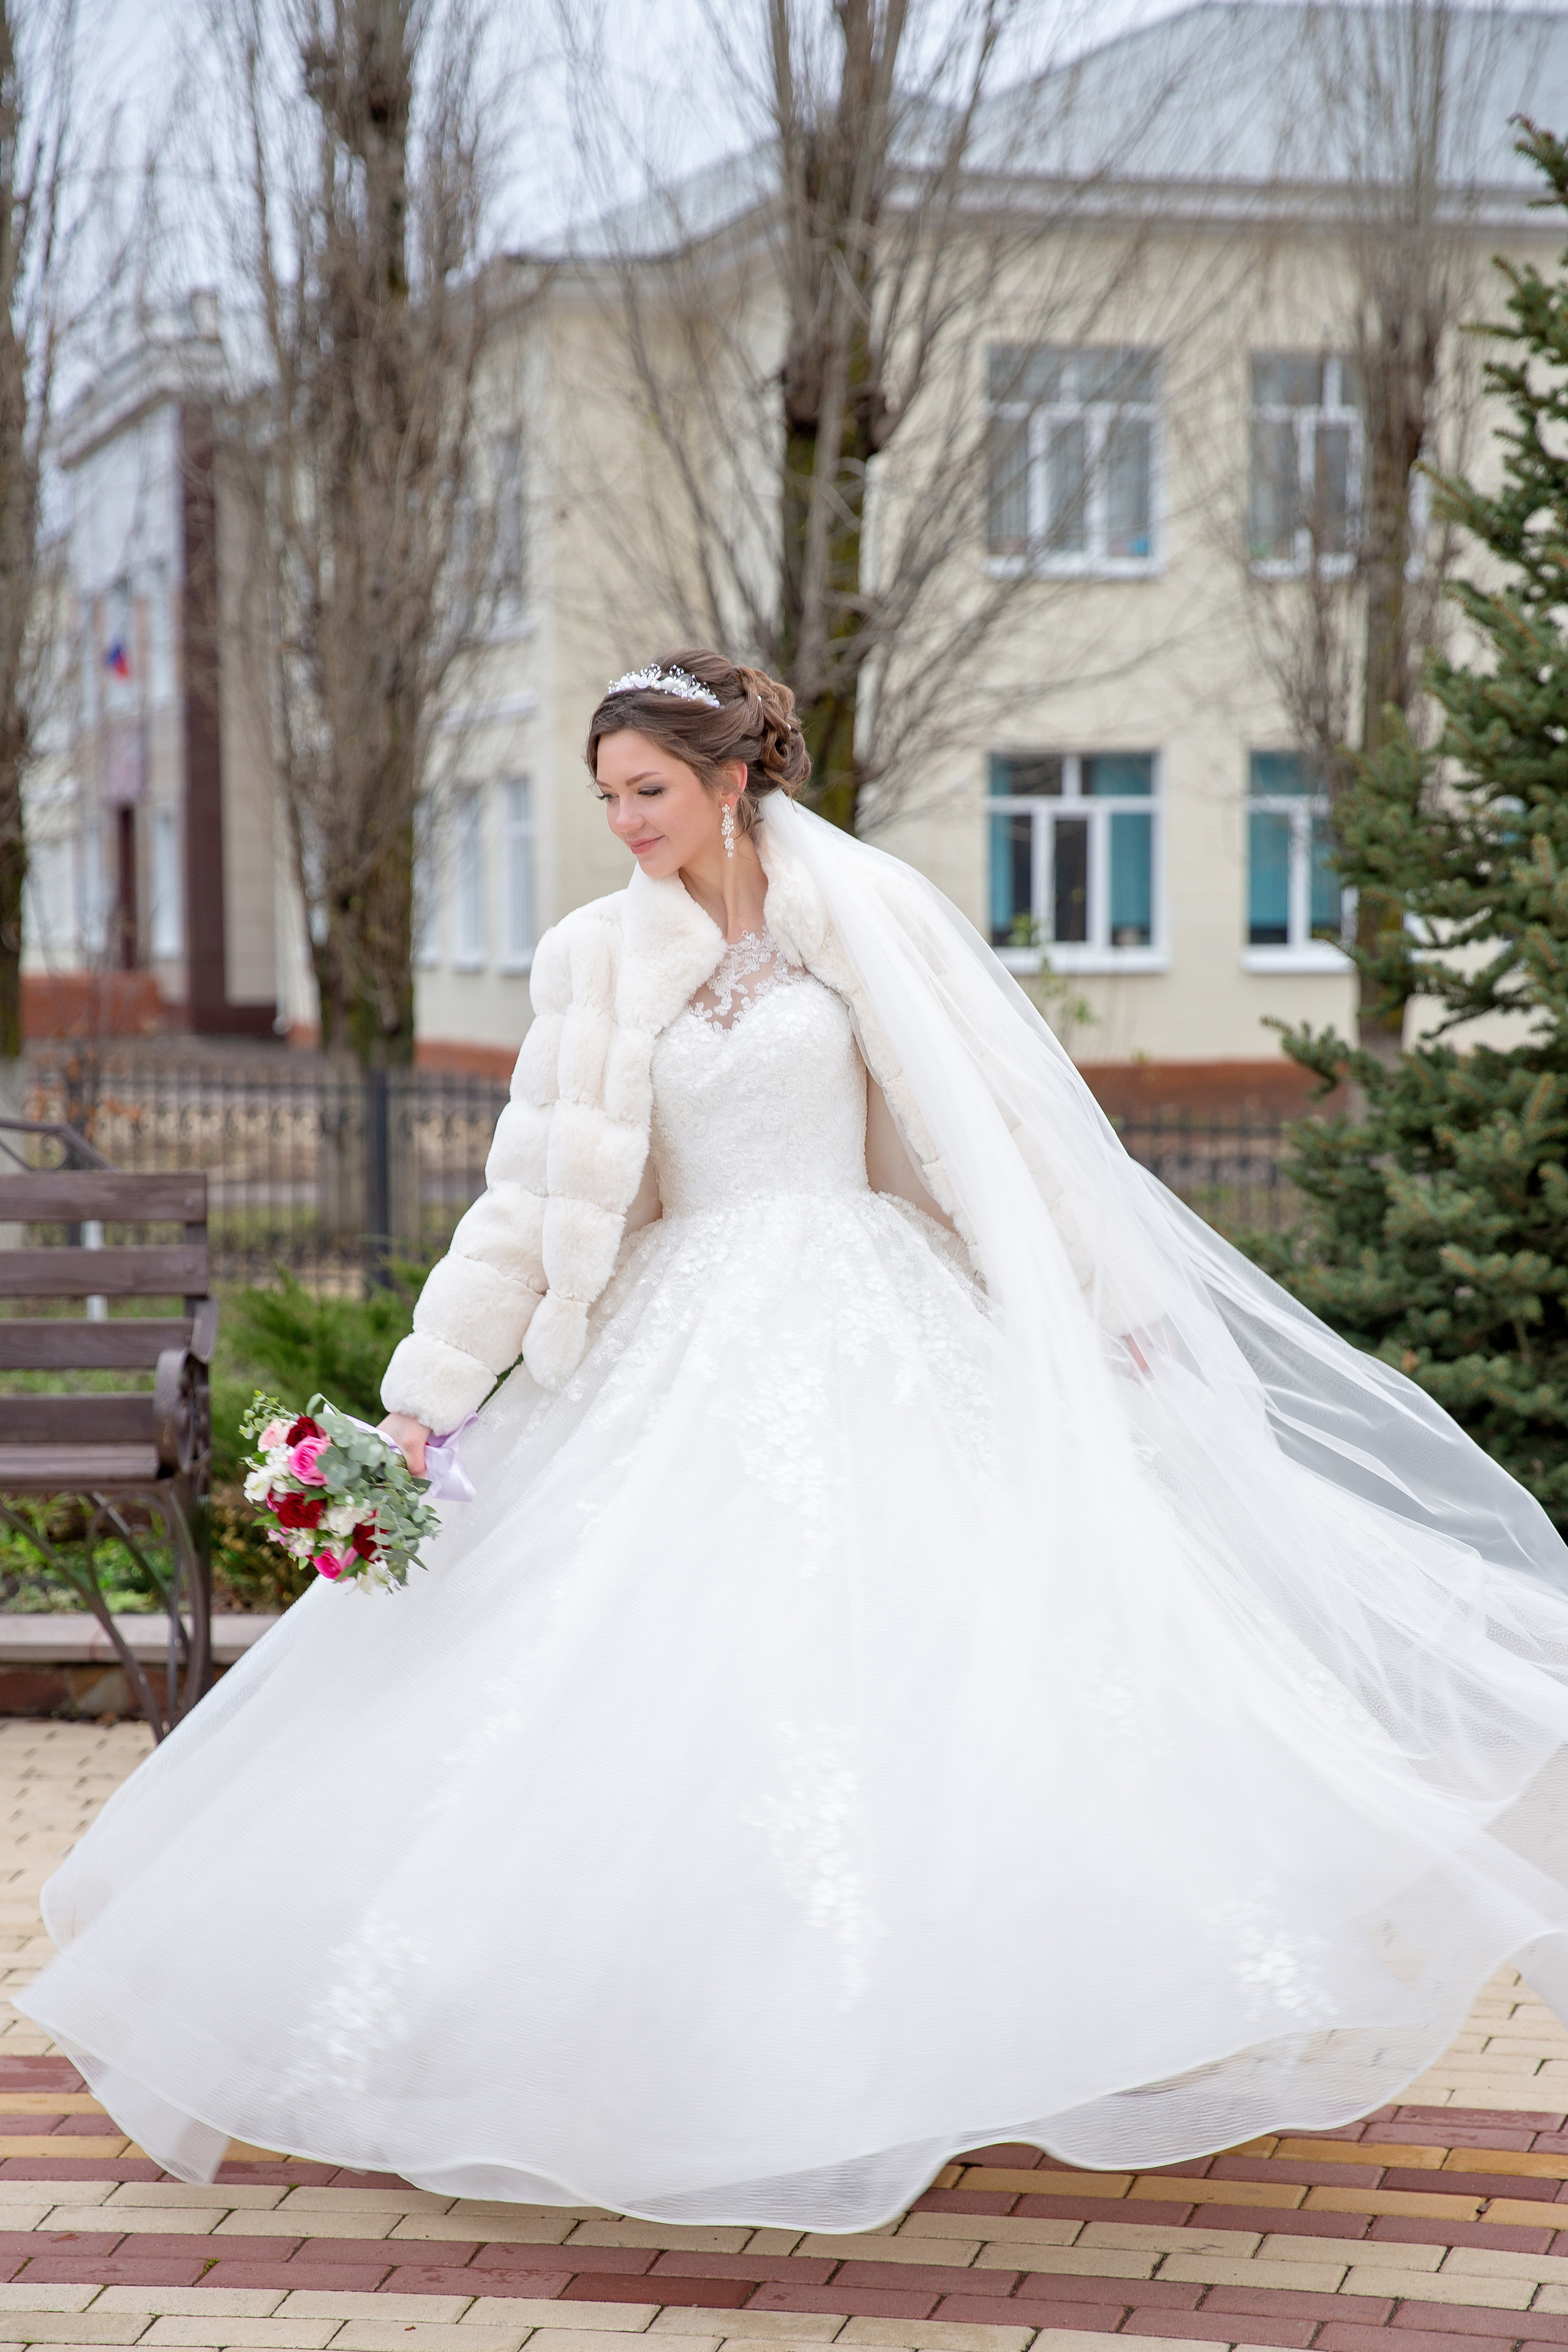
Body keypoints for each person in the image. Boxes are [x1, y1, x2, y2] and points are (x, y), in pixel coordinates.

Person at [19, 648, 1568, 2234]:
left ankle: (956, 2029)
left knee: (952, 1657)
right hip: (673, 1338)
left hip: (877, 1311)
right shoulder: (590, 962)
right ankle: (698, 2041)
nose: (628, 820)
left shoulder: (862, 918)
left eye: (650, 790)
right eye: (607, 796)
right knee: (656, 1674)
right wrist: (426, 1399)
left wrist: (1103, 1300)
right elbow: (526, 1201)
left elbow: (997, 1130)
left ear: (733, 780)